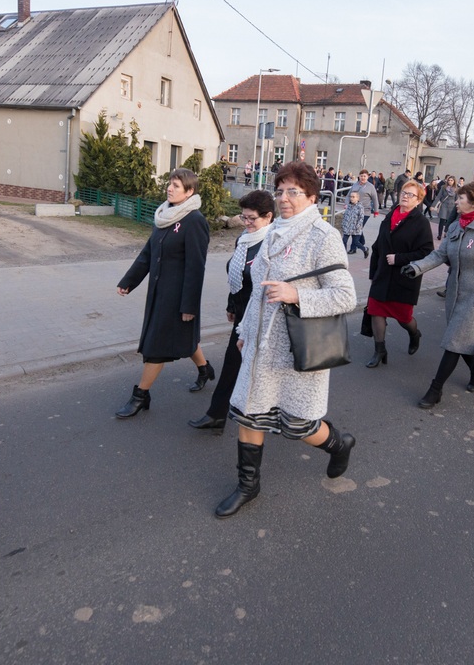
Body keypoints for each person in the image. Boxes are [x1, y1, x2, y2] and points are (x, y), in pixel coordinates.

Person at [214, 162, 357, 518]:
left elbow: (345, 297)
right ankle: (248, 485)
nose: (284, 198)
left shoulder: (324, 237)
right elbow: (258, 292)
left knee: (298, 425)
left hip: (295, 348)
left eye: (293, 191)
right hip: (260, 347)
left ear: (312, 197)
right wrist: (244, 332)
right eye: (280, 191)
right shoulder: (273, 231)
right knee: (249, 413)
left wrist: (297, 295)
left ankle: (338, 444)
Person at [115, 168, 213, 418]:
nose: (169, 188)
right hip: (158, 294)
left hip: (178, 298)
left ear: (189, 192)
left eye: (176, 186)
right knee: (183, 337)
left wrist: (189, 306)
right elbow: (148, 254)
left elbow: (196, 267)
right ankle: (205, 369)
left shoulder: (195, 220)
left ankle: (141, 395)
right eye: (170, 183)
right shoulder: (164, 216)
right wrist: (129, 281)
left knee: (157, 345)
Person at [403, 181, 474, 409]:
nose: (456, 201)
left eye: (460, 198)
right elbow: (440, 255)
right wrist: (416, 267)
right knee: (463, 340)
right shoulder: (455, 227)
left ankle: (435, 389)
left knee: (454, 340)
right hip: (455, 293)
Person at [188, 191, 276, 433]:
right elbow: (237, 275)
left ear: (268, 216)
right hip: (242, 314)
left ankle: (300, 421)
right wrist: (231, 305)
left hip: (262, 318)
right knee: (232, 364)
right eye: (243, 217)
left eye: (251, 218)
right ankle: (217, 414)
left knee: (264, 372)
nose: (246, 223)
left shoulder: (273, 244)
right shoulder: (244, 239)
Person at [364, 179, 434, 368]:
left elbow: (427, 252)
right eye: (404, 192)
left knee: (404, 317)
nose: (405, 196)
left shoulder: (421, 222)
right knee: (376, 311)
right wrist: (373, 273)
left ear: (418, 200)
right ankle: (379, 350)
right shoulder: (390, 216)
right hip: (383, 274)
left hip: (405, 276)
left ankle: (414, 333)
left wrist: (400, 258)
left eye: (411, 194)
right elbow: (378, 246)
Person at [341, 191, 367, 256]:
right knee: (344, 240)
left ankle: (365, 249)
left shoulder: (360, 207)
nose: (351, 198)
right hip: (347, 227)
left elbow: (361, 217)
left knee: (355, 242)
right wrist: (343, 224)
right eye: (351, 197)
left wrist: (358, 226)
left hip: (355, 228)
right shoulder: (349, 206)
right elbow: (345, 216)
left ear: (357, 198)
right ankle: (343, 254)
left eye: (353, 197)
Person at [433, 175, 458, 241]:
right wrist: (433, 205)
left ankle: (446, 232)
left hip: (452, 206)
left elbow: (457, 199)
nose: (450, 181)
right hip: (444, 205)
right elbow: (438, 196)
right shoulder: (443, 187)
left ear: (454, 181)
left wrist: (458, 208)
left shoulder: (456, 189)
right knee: (442, 220)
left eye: (451, 180)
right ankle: (439, 234)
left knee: (449, 221)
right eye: (449, 180)